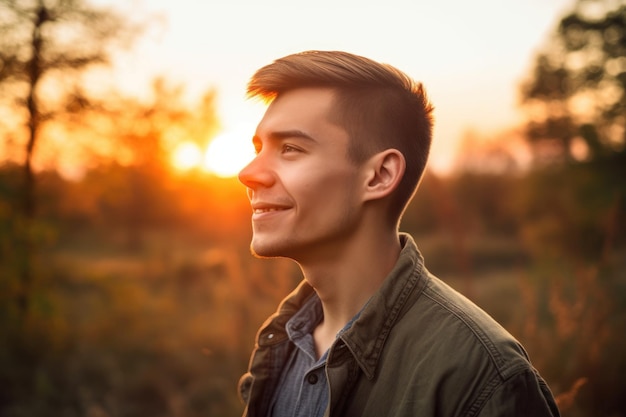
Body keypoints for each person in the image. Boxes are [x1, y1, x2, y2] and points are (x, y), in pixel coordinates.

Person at [236, 50, 560, 417]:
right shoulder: (283, 342)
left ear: (380, 175)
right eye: (259, 148)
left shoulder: (481, 377)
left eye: (290, 149)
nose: (249, 173)